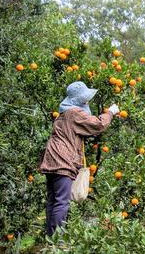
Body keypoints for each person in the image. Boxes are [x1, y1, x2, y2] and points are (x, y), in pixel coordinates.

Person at [39, 81, 119, 236]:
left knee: (53, 200)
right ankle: (56, 239)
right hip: (63, 160)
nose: (87, 101)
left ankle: (50, 237)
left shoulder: (62, 115)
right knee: (62, 201)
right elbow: (98, 124)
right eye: (84, 99)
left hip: (51, 160)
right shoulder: (74, 113)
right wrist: (111, 112)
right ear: (77, 100)